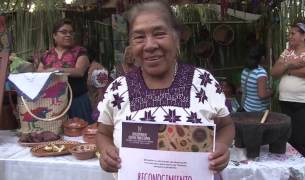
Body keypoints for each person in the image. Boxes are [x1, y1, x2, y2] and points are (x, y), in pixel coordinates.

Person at [96, 1, 235, 179]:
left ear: (176, 38)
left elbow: (226, 126)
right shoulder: (118, 89)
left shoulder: (203, 82)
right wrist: (106, 150)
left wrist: (222, 146)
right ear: (130, 44)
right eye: (139, 37)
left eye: (159, 33)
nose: (150, 45)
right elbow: (102, 133)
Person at [271, 20, 305, 175]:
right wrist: (289, 65)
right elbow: (274, 72)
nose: (290, 35)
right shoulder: (287, 51)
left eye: (293, 33)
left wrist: (288, 71)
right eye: (290, 33)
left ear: (304, 35)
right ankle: (293, 174)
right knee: (290, 139)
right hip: (286, 101)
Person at [37, 18, 93, 124]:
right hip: (53, 104)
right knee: (55, 134)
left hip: (77, 102)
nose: (68, 35)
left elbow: (79, 71)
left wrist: (57, 69)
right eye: (64, 32)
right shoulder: (46, 56)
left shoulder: (80, 52)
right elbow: (38, 74)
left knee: (79, 135)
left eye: (71, 33)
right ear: (54, 35)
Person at [240, 45, 273, 112]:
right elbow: (262, 95)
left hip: (247, 107)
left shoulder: (245, 70)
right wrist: (272, 92)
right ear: (262, 57)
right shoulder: (260, 73)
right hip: (258, 111)